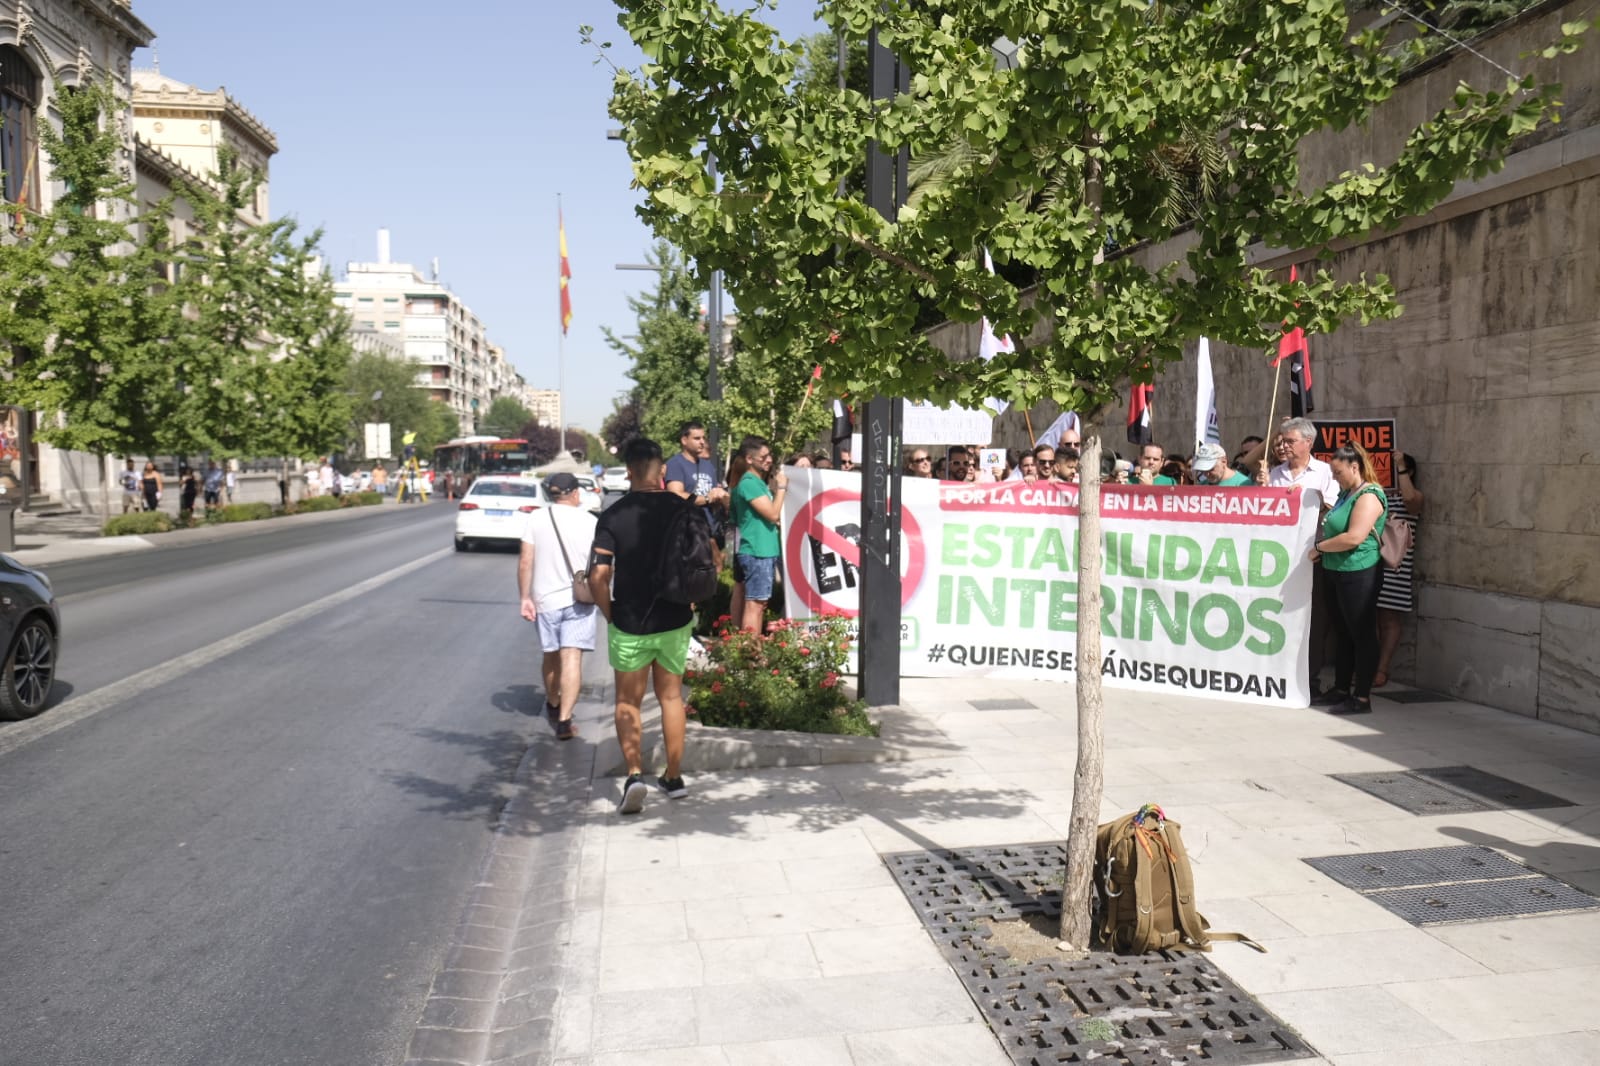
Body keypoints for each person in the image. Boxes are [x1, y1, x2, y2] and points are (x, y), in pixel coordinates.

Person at [588, 438, 698, 814]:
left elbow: (599, 575)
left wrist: (610, 614)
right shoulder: (683, 510)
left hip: (631, 621)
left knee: (627, 701)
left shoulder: (613, 516)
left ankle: (635, 775)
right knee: (671, 697)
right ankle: (674, 776)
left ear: (630, 472)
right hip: (676, 617)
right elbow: (708, 556)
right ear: (662, 470)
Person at [1309, 443, 1389, 715]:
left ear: (1355, 467)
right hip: (1336, 570)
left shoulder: (1369, 495)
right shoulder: (1346, 493)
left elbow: (1354, 537)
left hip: (1359, 572)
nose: (1335, 477)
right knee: (1343, 633)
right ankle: (1341, 689)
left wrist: (1319, 549)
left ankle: (1362, 697)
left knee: (1362, 634)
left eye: (1338, 471)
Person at [519, 472, 599, 741]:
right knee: (572, 657)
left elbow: (525, 562)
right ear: (575, 493)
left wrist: (524, 598)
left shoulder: (536, 518)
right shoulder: (590, 521)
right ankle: (565, 720)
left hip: (545, 599)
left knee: (550, 655)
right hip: (580, 599)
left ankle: (553, 703)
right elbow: (600, 565)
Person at [1269, 418, 1339, 697]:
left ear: (1308, 442)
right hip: (1279, 559)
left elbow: (1333, 509)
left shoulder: (1325, 473)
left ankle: (1309, 678)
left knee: (1314, 620)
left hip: (1312, 558)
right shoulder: (1275, 473)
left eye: (1290, 441)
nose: (1284, 446)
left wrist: (1306, 501)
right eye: (1282, 440)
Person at [1375, 453, 1423, 688]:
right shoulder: (1376, 493)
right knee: (1367, 618)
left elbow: (1411, 499)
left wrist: (1400, 466)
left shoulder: (1411, 497)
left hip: (1395, 566)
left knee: (1388, 617)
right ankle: (1368, 665)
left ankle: (1381, 669)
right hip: (1369, 562)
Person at [730, 437, 786, 635]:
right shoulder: (749, 483)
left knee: (759, 603)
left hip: (762, 549)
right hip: (757, 550)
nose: (769, 459)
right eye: (763, 456)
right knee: (755, 604)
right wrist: (781, 488)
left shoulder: (755, 483)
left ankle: (751, 650)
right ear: (749, 459)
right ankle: (750, 654)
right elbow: (772, 514)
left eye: (769, 455)